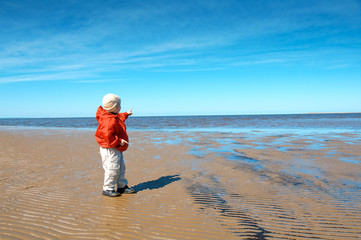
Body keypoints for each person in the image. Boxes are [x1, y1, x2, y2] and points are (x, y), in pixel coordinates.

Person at [95, 93, 135, 197]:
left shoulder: (112, 116)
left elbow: (119, 118)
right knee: (112, 168)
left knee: (120, 167)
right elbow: (108, 136)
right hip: (110, 148)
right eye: (119, 106)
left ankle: (122, 186)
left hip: (115, 148)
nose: (120, 108)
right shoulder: (108, 120)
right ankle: (108, 188)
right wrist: (119, 141)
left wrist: (126, 113)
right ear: (114, 107)